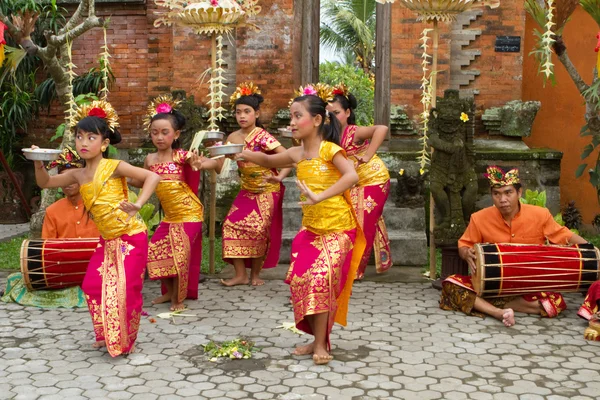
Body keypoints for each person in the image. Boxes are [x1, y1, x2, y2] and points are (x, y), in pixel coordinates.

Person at [232, 83, 365, 365]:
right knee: (302, 283)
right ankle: (316, 340)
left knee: (321, 281)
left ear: (316, 120)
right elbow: (267, 158)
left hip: (338, 228)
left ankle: (320, 344)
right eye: (290, 116)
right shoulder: (296, 154)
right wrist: (241, 153)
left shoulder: (330, 151)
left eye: (296, 116)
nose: (291, 122)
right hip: (310, 231)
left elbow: (351, 176)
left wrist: (321, 196)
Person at [30, 100, 161, 357]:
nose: (83, 142)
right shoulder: (77, 175)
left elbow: (152, 177)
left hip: (131, 235)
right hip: (108, 239)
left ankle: (125, 340)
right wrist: (37, 161)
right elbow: (45, 182)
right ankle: (106, 333)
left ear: (104, 143)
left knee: (124, 289)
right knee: (92, 285)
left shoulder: (114, 167)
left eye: (91, 137)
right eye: (79, 136)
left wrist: (138, 205)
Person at [439, 166, 587, 327]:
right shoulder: (479, 218)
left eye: (508, 193)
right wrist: (466, 253)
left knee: (555, 302)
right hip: (492, 284)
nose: (502, 199)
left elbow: (564, 235)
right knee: (450, 284)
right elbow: (464, 245)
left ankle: (489, 304)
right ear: (492, 195)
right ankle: (498, 312)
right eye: (497, 194)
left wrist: (591, 248)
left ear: (519, 193)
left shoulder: (540, 215)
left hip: (529, 285)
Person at [200, 82, 290, 286]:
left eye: (247, 112)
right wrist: (202, 161)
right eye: (238, 112)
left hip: (267, 190)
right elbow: (219, 165)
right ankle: (240, 275)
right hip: (247, 191)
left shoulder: (263, 136)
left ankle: (256, 275)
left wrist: (279, 177)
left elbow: (287, 156)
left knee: (257, 229)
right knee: (230, 225)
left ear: (256, 114)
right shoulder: (232, 138)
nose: (242, 116)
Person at [1, 146, 99, 308]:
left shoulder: (99, 205)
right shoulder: (53, 211)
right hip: (65, 270)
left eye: (72, 174)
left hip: (97, 266)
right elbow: (48, 250)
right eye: (62, 175)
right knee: (18, 279)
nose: (67, 180)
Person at [131, 94, 204, 312]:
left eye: (165, 132)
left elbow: (200, 163)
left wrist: (199, 163)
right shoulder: (150, 160)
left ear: (176, 134)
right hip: (170, 217)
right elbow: (140, 180)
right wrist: (120, 176)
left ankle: (178, 300)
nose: (159, 137)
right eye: (155, 133)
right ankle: (169, 293)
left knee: (179, 257)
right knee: (157, 251)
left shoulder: (181, 156)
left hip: (190, 214)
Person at [327, 83, 392, 279]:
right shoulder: (328, 135)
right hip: (352, 183)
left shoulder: (353, 131)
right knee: (349, 221)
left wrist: (367, 156)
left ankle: (356, 270)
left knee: (362, 223)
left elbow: (381, 128)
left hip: (374, 180)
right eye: (328, 113)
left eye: (336, 112)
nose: (332, 117)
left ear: (347, 112)